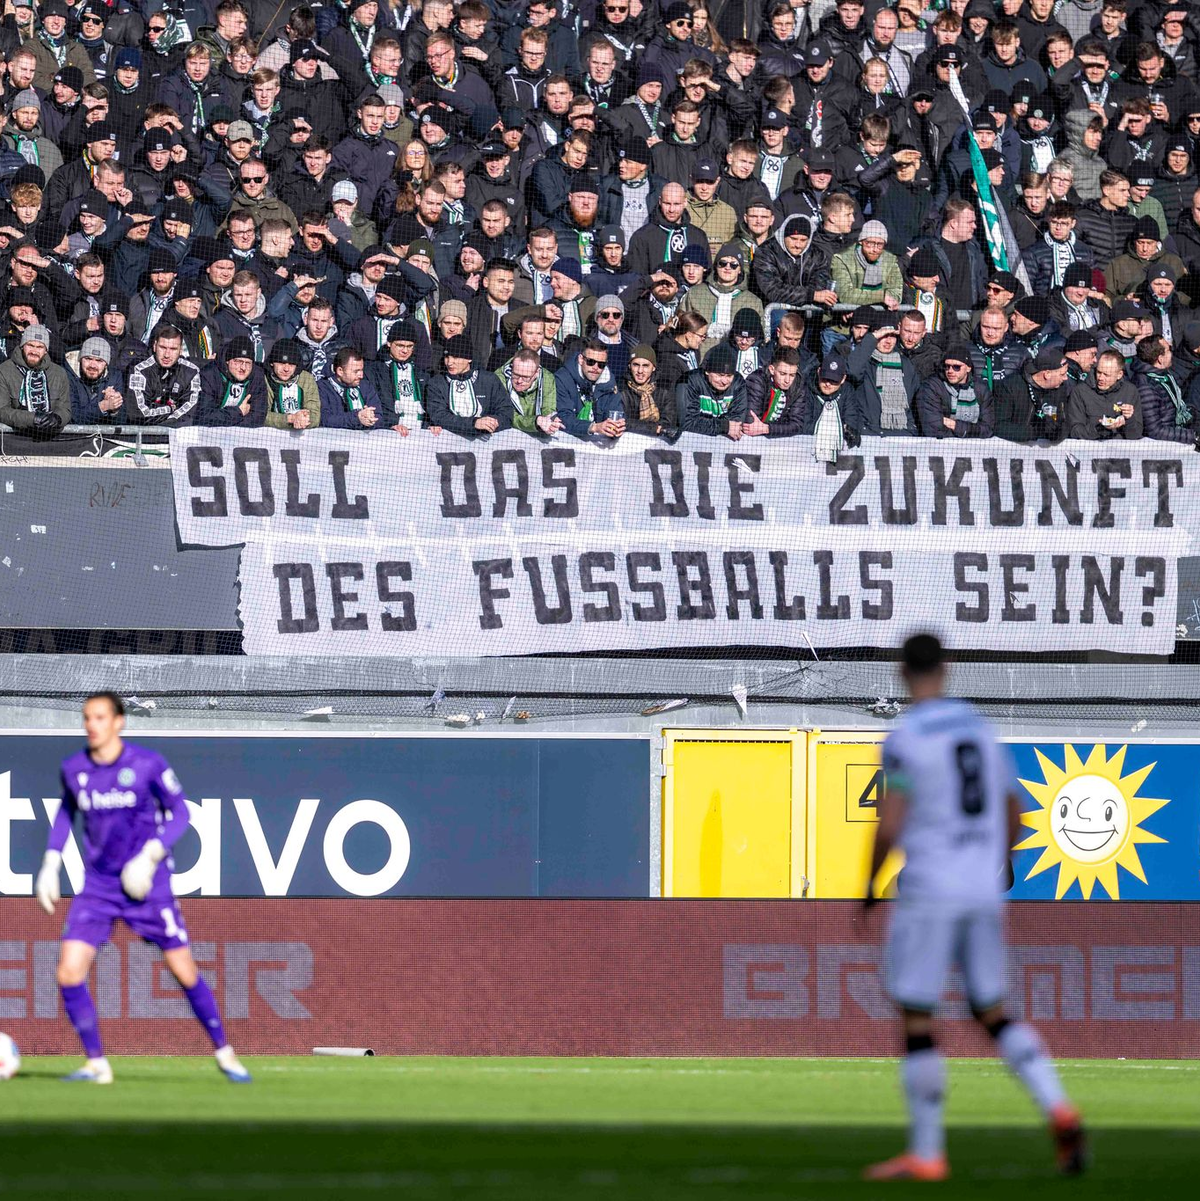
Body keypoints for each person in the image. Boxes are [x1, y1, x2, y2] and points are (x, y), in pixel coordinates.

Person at [862, 633, 1084, 1182]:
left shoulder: (906, 736)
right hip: (981, 886)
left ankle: (928, 1153)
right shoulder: (980, 731)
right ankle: (1058, 1106)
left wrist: (869, 883)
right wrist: (999, 865)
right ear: (948, 668)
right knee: (992, 1010)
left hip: (931, 885)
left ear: (901, 672)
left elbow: (890, 821)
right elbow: (1014, 809)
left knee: (917, 1015)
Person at [33, 692, 251, 1085]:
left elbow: (181, 811)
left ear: (119, 722)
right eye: (87, 717)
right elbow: (67, 811)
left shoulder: (147, 764)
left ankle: (225, 1052)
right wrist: (51, 860)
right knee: (68, 972)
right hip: (99, 887)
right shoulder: (75, 768)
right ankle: (97, 1064)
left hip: (146, 885)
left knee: (183, 970)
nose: (91, 724)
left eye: (99, 717)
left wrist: (151, 854)